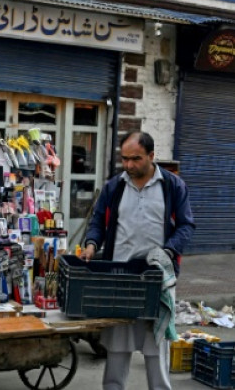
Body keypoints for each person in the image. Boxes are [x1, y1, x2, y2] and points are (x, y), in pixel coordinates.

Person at [82, 131, 195, 390]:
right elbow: (98, 222)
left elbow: (187, 226)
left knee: (156, 347)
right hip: (120, 277)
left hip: (157, 278)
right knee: (117, 346)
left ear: (151, 156)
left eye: (136, 159)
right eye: (125, 159)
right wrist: (91, 245)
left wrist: (169, 250)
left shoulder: (172, 186)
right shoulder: (115, 186)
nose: (129, 165)